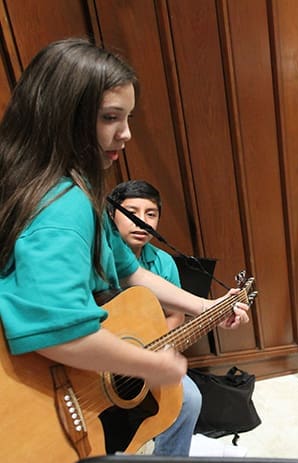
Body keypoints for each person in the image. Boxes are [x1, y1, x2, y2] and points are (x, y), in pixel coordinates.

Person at [0, 38, 249, 456]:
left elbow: (130, 270)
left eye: (128, 117)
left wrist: (206, 307)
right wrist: (154, 364)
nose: (126, 134)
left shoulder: (53, 184)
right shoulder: (64, 209)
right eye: (110, 118)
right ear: (66, 118)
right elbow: (59, 335)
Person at [108, 179, 201, 456]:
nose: (142, 222)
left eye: (151, 214)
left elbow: (176, 314)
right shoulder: (98, 257)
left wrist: (153, 346)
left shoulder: (163, 262)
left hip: (147, 351)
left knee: (190, 398)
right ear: (111, 216)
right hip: (100, 360)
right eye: (131, 212)